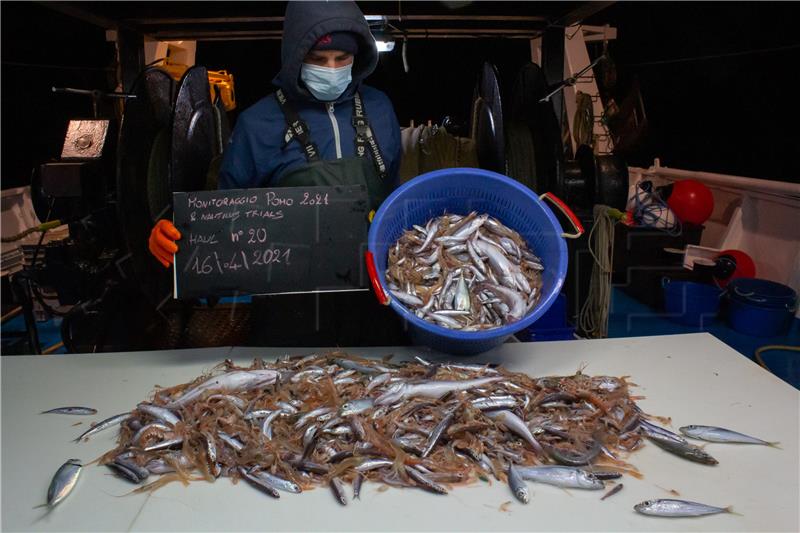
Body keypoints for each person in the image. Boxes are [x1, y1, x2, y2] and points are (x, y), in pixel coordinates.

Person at [148, 0, 407, 346]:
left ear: (357, 58)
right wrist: (173, 237)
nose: (331, 68)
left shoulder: (380, 108)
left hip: (376, 302)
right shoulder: (258, 123)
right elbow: (221, 221)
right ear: (296, 55)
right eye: (318, 59)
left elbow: (397, 197)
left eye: (341, 59)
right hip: (287, 314)